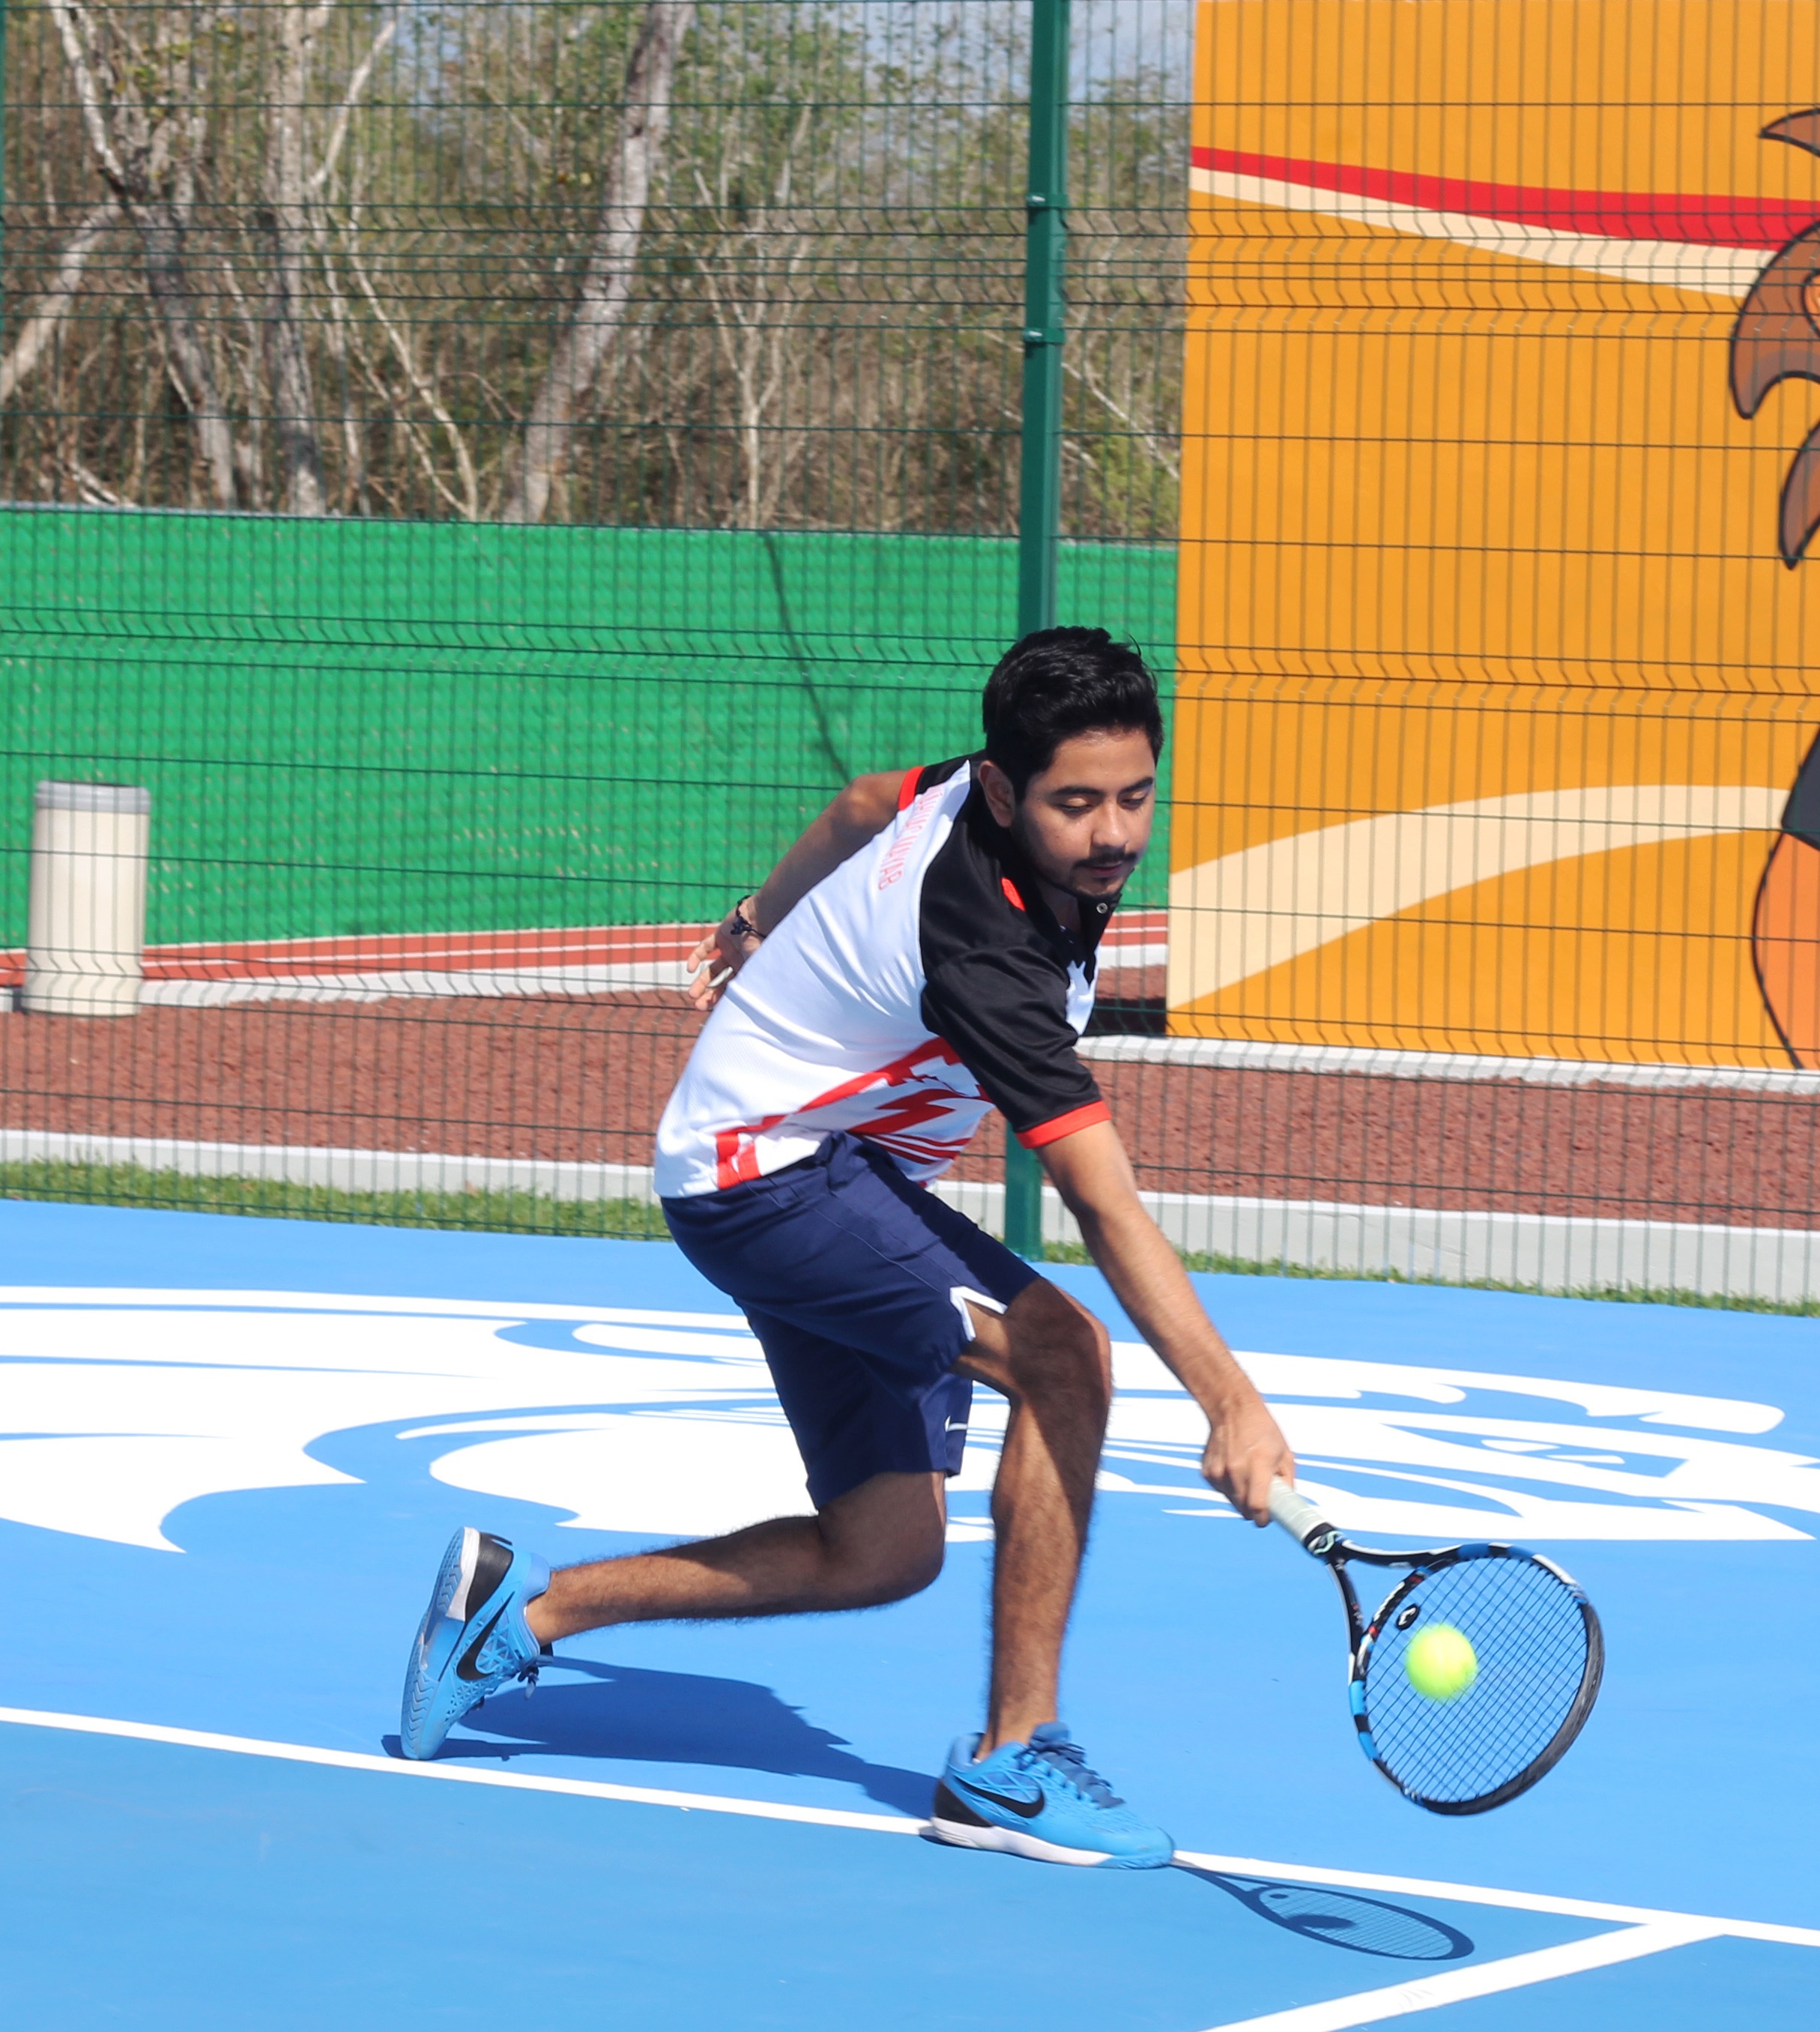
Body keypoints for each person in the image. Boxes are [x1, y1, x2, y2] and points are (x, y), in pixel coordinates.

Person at [394, 626, 1296, 1871]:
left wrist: (760, 916)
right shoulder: (986, 951)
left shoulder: (967, 800)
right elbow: (1104, 1202)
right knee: (1065, 1356)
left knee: (886, 1553)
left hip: (816, 1171)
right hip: (770, 1180)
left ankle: (521, 1609)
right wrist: (1231, 1404)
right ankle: (1011, 1760)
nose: (1113, 835)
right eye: (1076, 804)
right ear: (1004, 789)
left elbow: (864, 802)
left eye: (1136, 797)